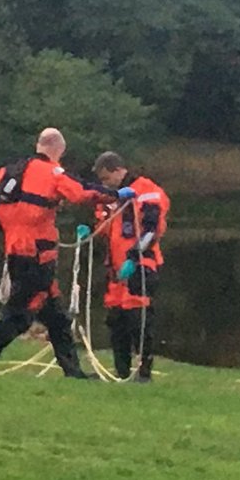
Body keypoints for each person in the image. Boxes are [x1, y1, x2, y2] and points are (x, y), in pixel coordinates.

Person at [0, 128, 125, 378]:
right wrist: (115, 195)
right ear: (58, 150)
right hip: (37, 253)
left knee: (56, 317)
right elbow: (80, 193)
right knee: (20, 314)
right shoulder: (54, 173)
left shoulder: (9, 171)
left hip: (15, 248)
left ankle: (73, 372)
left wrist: (16, 221)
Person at [93, 151, 169, 382]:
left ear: (118, 170)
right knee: (117, 320)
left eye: (107, 178)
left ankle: (144, 372)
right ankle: (121, 371)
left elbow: (151, 228)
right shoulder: (113, 197)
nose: (105, 184)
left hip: (141, 264)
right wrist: (91, 231)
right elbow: (105, 225)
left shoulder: (146, 190)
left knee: (139, 319)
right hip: (117, 269)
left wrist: (135, 256)